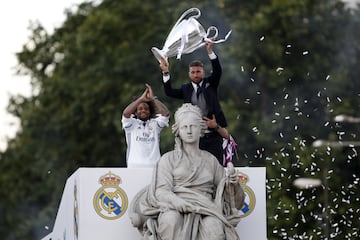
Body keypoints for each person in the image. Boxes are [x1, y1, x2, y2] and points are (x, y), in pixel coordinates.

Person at [129, 104, 245, 240]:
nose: (189, 131)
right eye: (185, 127)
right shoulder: (168, 159)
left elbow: (226, 195)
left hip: (205, 208)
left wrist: (232, 183)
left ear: (201, 129)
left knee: (214, 228)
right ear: (178, 130)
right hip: (175, 206)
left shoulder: (211, 160)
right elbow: (161, 191)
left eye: (193, 126)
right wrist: (177, 202)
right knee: (170, 221)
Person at [159, 40, 229, 165]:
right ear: (189, 74)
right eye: (193, 72)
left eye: (198, 72)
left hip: (214, 133)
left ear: (203, 72)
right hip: (195, 136)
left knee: (217, 166)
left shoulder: (210, 83)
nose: (196, 75)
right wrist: (165, 72)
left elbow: (218, 71)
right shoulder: (186, 89)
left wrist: (210, 52)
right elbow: (169, 92)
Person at [122, 84, 170, 168]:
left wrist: (153, 99)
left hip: (154, 166)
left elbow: (166, 114)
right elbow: (126, 113)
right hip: (134, 166)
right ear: (136, 112)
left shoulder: (155, 124)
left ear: (150, 112)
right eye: (140, 109)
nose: (143, 110)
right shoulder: (131, 124)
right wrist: (140, 99)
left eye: (146, 109)